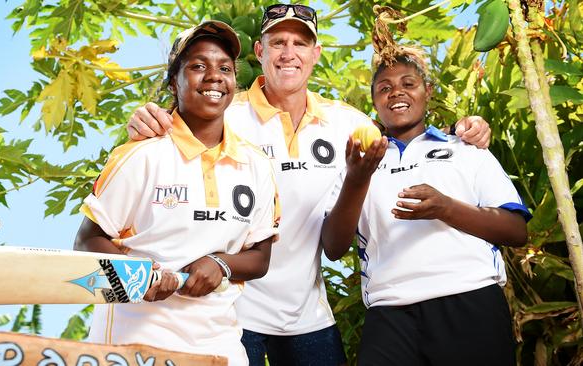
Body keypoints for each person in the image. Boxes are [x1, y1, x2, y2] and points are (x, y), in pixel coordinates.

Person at [126, 4, 492, 365]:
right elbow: (165, 141)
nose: (289, 53)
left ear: (315, 54)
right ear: (259, 51)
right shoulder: (222, 114)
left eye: (300, 44)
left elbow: (401, 143)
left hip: (307, 315)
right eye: (278, 42)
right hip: (228, 308)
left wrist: (462, 131)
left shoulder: (346, 122)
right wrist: (145, 119)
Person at [74, 20, 280, 365]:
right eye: (198, 66)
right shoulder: (140, 154)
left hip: (219, 341)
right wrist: (138, 275)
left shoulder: (255, 164)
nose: (214, 76)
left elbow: (259, 258)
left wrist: (221, 264)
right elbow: (85, 242)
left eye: (225, 68)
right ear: (175, 81)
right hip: (133, 341)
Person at [321, 46, 531, 366]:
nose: (396, 93)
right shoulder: (359, 163)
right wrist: (357, 178)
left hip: (470, 303)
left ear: (427, 91)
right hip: (389, 314)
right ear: (374, 101)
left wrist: (445, 208)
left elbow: (516, 230)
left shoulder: (465, 149)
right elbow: (333, 247)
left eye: (409, 83)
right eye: (385, 88)